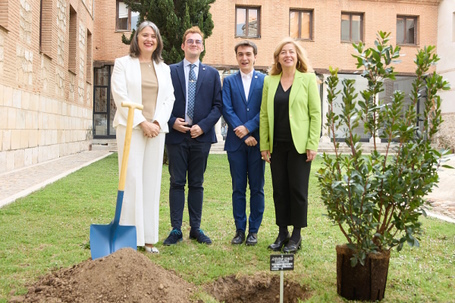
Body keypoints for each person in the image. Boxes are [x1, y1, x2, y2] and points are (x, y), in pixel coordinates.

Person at [111, 21, 175, 254]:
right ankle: (130, 237)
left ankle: (148, 238)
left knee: (151, 181)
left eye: (154, 36)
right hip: (131, 128)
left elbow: (169, 99)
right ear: (136, 39)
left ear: (158, 42)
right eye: (145, 35)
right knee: (131, 180)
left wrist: (157, 122)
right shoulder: (122, 64)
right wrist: (142, 122)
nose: (149, 39)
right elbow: (120, 95)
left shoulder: (164, 68)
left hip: (156, 130)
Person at [259, 37, 321, 253]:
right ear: (277, 58)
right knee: (279, 190)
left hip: (300, 146)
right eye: (283, 52)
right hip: (277, 145)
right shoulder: (270, 81)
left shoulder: (307, 79)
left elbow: (315, 114)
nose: (287, 55)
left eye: (291, 52)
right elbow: (264, 115)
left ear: (297, 57)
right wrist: (264, 145)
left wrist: (312, 143)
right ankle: (282, 232)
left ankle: (296, 235)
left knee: (298, 190)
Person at [163, 26, 222, 245]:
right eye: (190, 41)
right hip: (177, 136)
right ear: (183, 45)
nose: (194, 44)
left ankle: (195, 228)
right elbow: (160, 102)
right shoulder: (169, 71)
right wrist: (171, 122)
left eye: (198, 41)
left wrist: (203, 126)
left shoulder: (212, 74)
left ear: (203, 46)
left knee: (197, 183)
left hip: (201, 137)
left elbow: (218, 106)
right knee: (177, 182)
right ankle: (176, 229)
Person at [222, 40, 265, 246]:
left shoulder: (264, 81)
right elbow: (227, 109)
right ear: (236, 57)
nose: (244, 58)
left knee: (257, 188)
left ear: (255, 56)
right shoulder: (229, 81)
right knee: (238, 188)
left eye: (248, 54)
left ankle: (253, 231)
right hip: (236, 144)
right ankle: (240, 230)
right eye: (240, 54)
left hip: (258, 143)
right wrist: (243, 133)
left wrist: (249, 128)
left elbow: (264, 110)